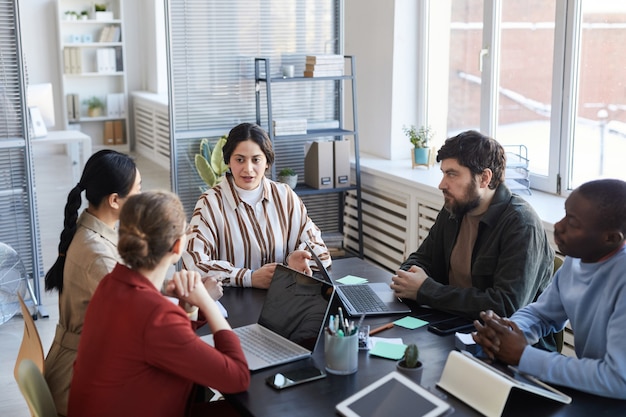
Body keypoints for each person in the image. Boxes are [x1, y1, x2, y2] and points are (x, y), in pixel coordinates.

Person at [68, 191, 250, 416]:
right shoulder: (155, 315)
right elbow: (238, 377)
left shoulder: (111, 283)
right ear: (177, 246)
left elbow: (168, 344)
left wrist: (188, 306)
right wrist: (206, 301)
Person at [473, 179, 626, 399]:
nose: (558, 226)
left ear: (611, 238)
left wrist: (523, 355)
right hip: (595, 394)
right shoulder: (578, 259)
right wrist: (507, 332)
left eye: (572, 223)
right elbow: (542, 314)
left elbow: (618, 379)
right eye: (564, 214)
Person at [390, 130, 554, 321]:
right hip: (453, 322)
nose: (442, 184)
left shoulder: (521, 224)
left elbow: (506, 306)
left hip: (505, 342)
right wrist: (408, 277)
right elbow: (423, 258)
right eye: (443, 173)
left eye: (452, 174)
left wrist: (425, 290)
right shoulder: (455, 209)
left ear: (484, 178)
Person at [43, 149, 142, 416]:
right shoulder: (96, 254)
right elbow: (138, 318)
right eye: (137, 190)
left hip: (76, 363)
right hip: (76, 380)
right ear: (114, 200)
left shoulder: (89, 230)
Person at [182, 122, 330, 289]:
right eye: (240, 159)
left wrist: (294, 261)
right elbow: (194, 264)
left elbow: (321, 253)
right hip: (233, 303)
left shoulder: (285, 196)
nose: (248, 169)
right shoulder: (210, 202)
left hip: (284, 300)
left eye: (256, 160)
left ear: (267, 162)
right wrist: (248, 277)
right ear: (228, 161)